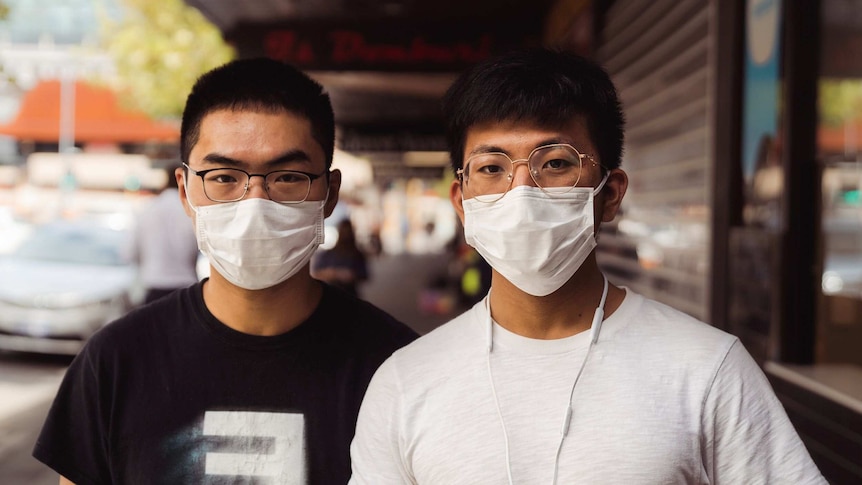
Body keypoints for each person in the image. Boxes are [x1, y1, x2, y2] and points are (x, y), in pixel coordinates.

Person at [349, 48, 826, 484]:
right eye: (492, 168)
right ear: (462, 199)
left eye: (555, 163)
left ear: (610, 193)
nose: (522, 193)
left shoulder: (706, 370)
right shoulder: (406, 384)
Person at [33, 57, 418, 485]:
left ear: (328, 194)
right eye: (223, 177)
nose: (254, 202)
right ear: (185, 191)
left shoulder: (401, 368)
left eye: (287, 177)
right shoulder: (115, 362)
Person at [126, 164, 200, 304]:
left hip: (154, 285)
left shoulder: (148, 209)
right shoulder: (192, 212)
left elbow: (130, 252)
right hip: (186, 286)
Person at [312, 218, 369, 296]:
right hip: (331, 295)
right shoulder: (328, 254)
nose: (346, 234)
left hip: (350, 295)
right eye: (344, 231)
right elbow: (317, 273)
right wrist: (332, 273)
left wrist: (350, 275)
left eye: (348, 232)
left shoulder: (357, 254)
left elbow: (364, 275)